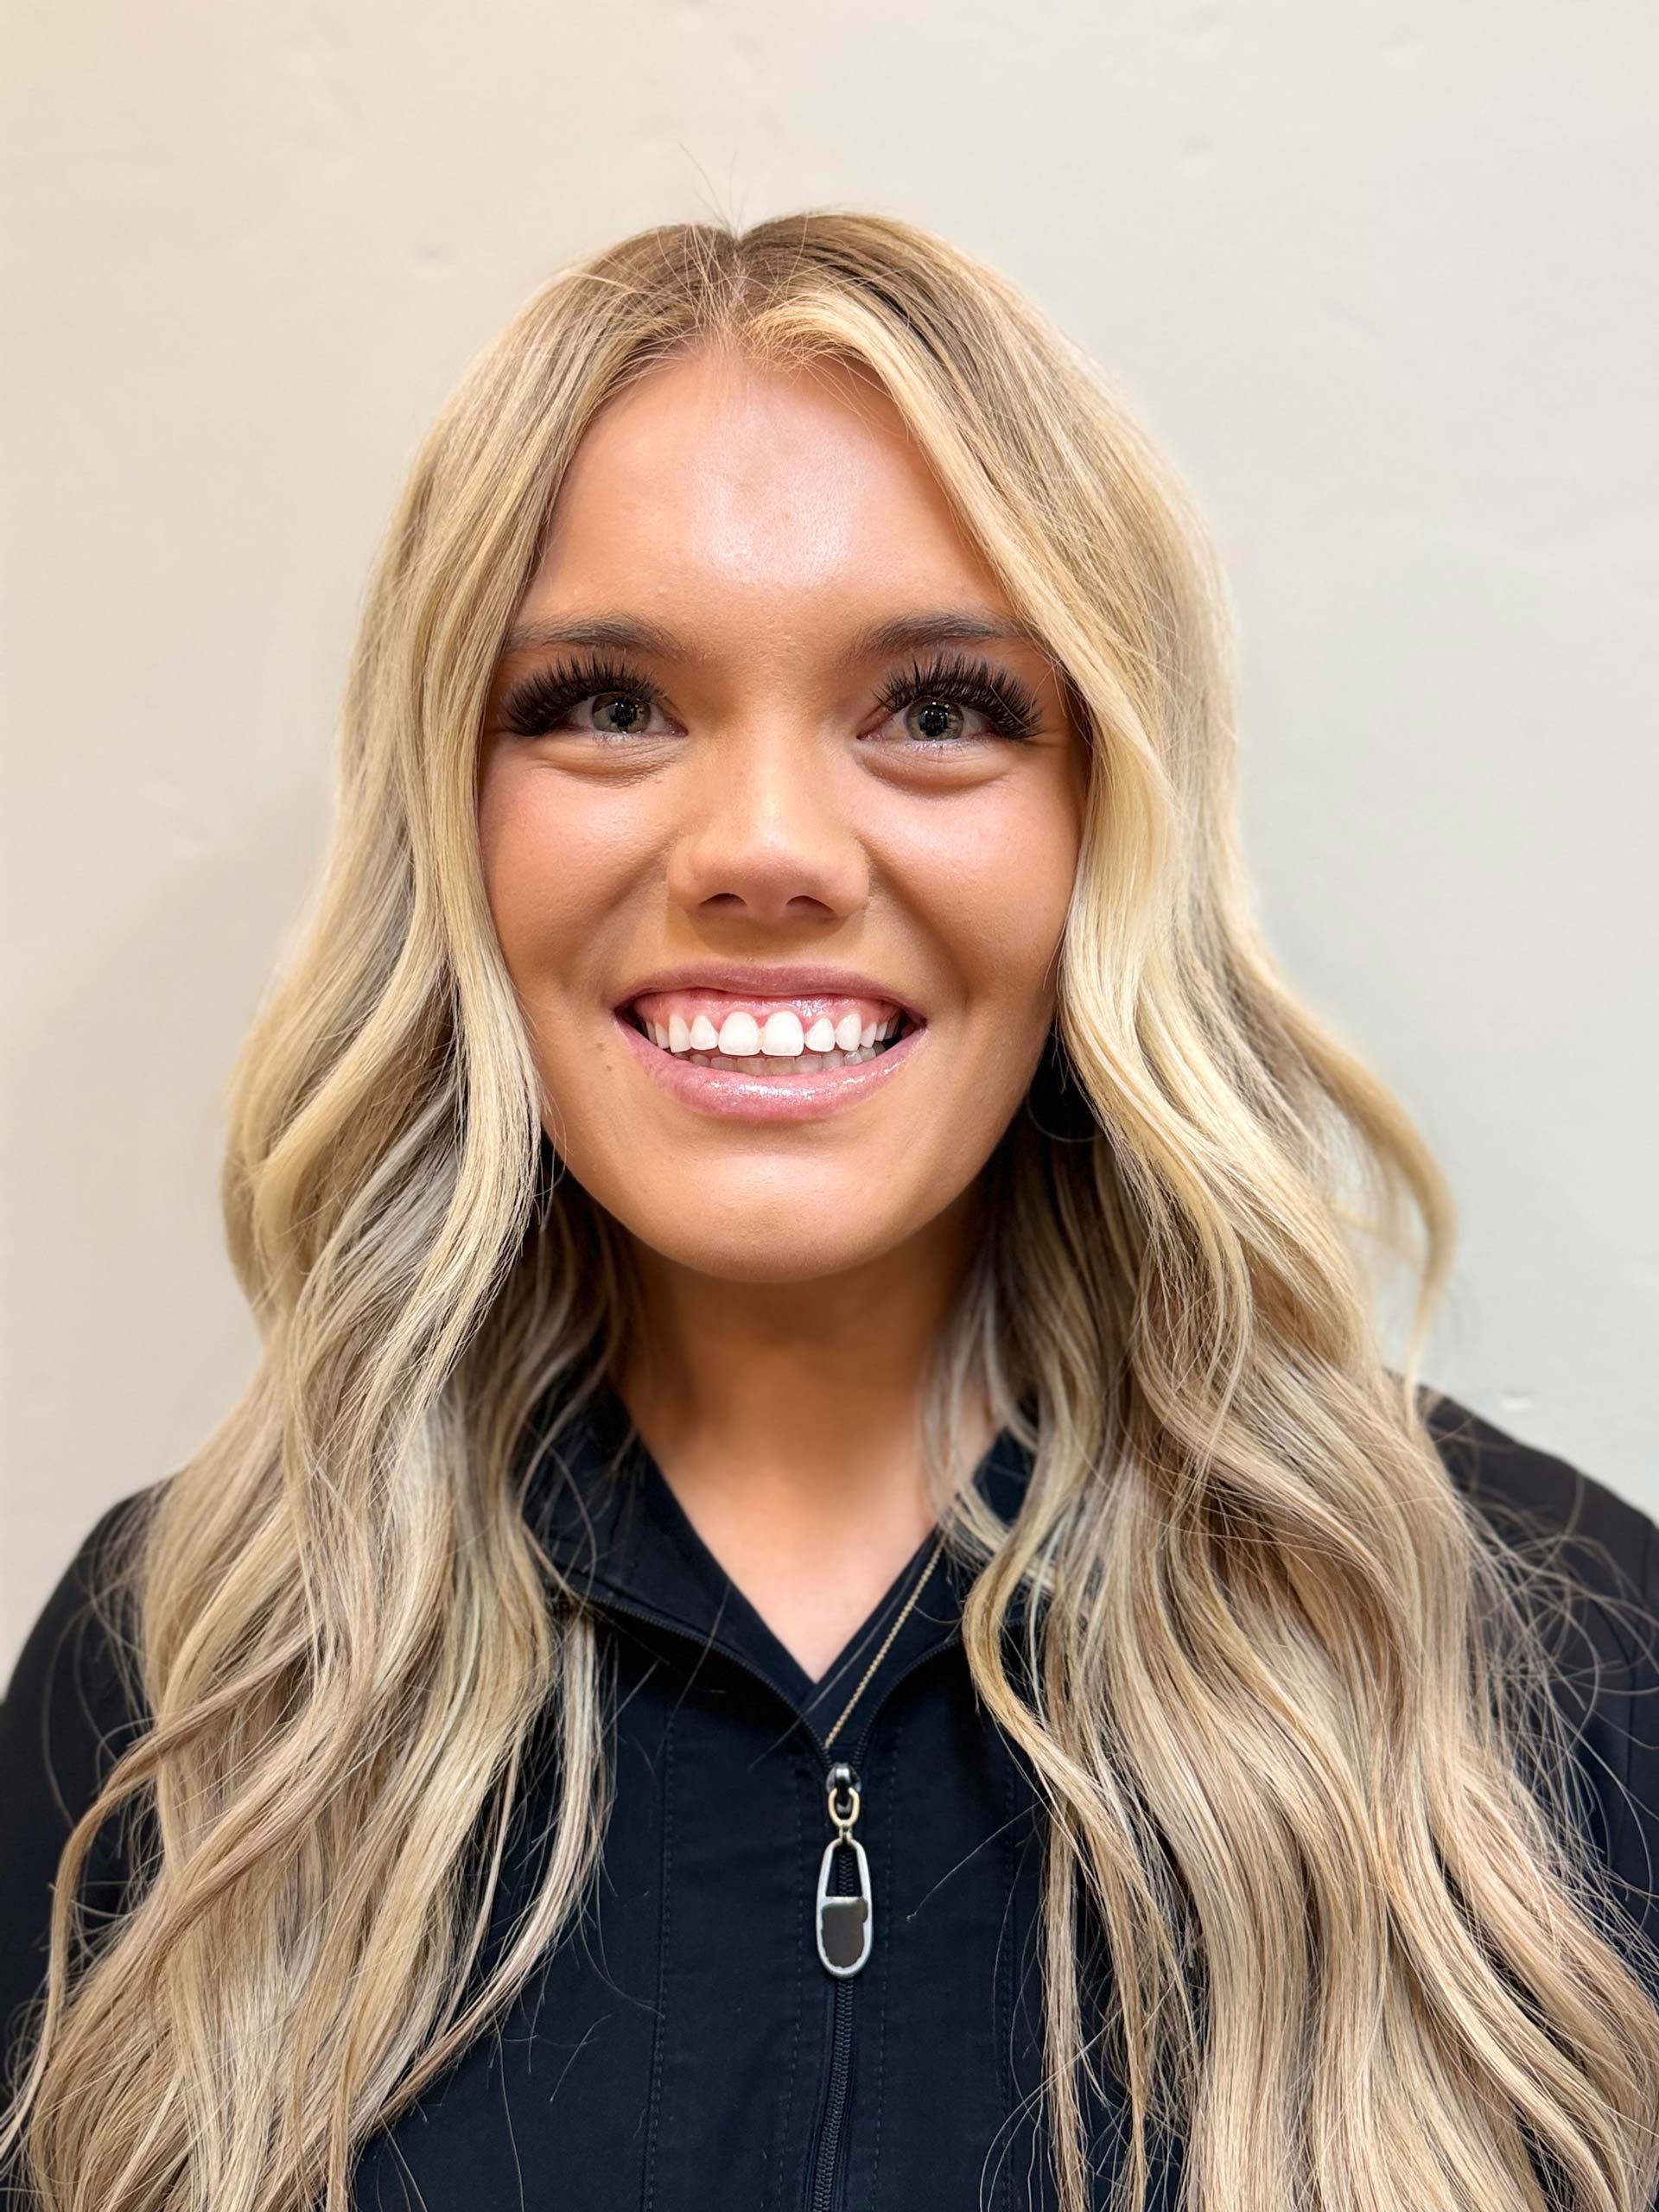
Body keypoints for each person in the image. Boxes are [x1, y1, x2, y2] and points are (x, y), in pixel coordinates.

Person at [3, 212, 1656, 2212]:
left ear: (1099, 817)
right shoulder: (186, 1670)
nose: (767, 847)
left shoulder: (1541, 1657)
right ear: (455, 812)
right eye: (607, 701)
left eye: (941, 706)